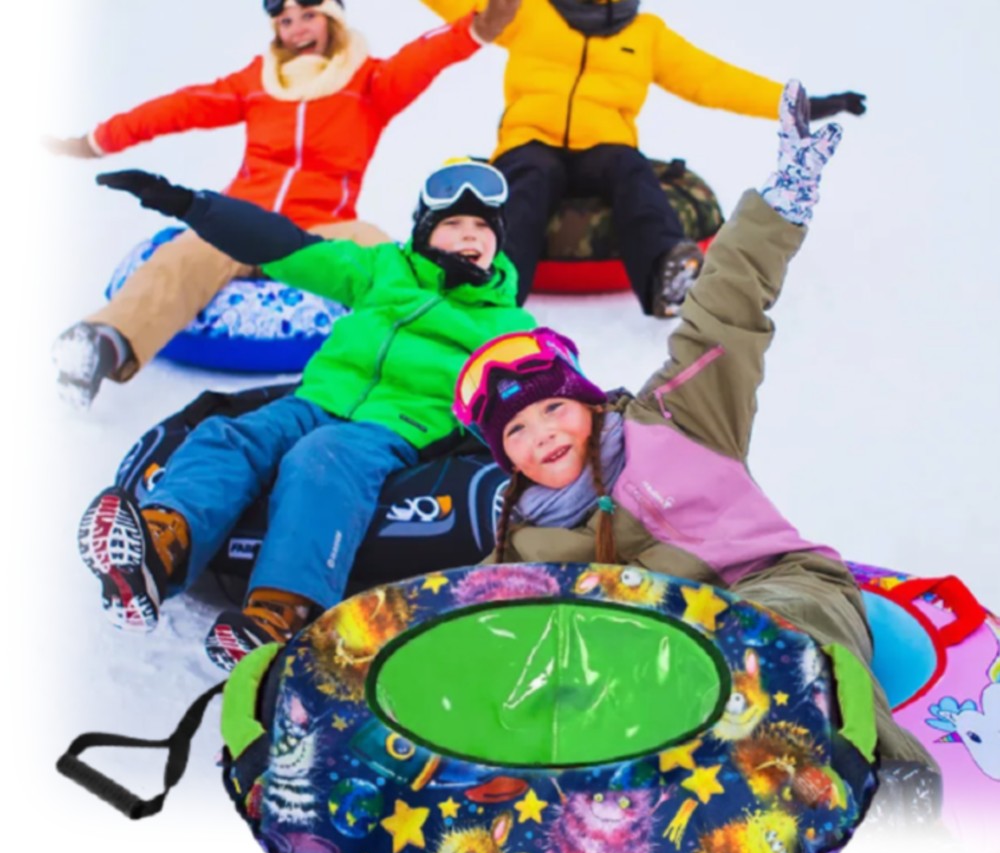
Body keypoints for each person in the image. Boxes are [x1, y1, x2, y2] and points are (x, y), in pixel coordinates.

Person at [450, 81, 941, 811]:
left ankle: (880, 784)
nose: (542, 432)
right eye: (516, 430)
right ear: (506, 460)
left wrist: (781, 200)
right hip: (668, 661)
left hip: (774, 584)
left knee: (776, 639)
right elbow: (476, 639)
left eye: (553, 407)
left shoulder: (675, 417)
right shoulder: (522, 548)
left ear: (588, 402)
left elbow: (725, 305)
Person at [77, 159, 536, 673]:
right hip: (316, 400)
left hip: (396, 429)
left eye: (482, 226)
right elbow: (287, 249)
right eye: (453, 223)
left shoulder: (508, 324)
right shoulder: (382, 269)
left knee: (321, 458)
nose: (470, 234)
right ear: (424, 232)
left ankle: (282, 613)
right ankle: (160, 547)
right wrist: (192, 205)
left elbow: (551, 391)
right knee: (231, 435)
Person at [47, 0, 521, 408]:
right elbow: (180, 107)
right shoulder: (259, 82)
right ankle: (102, 344)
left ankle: (453, 341)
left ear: (332, 20)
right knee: (183, 256)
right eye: (286, 21)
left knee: (386, 257)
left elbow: (425, 56)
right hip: (243, 218)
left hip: (323, 225)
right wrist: (95, 141)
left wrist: (482, 25)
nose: (297, 30)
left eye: (308, 16)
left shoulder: (368, 83)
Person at [419, 0, 866, 316]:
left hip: (605, 145)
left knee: (631, 171)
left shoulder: (646, 33)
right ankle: (495, 290)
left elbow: (712, 78)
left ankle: (667, 277)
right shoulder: (529, 9)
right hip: (530, 139)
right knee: (527, 178)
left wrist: (802, 104)